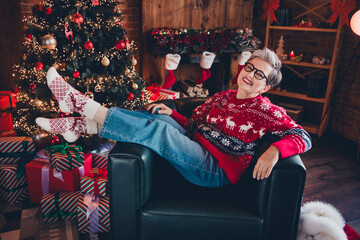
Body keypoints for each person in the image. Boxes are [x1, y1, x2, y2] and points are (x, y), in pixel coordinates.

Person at [36, 48, 312, 188]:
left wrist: (275, 150)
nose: (250, 75)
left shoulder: (266, 110)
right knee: (158, 116)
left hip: (215, 170)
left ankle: (80, 106)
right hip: (197, 149)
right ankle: (80, 125)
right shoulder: (221, 97)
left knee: (162, 133)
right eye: (249, 67)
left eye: (259, 74)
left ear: (265, 86)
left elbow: (302, 135)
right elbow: (194, 127)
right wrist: (174, 114)